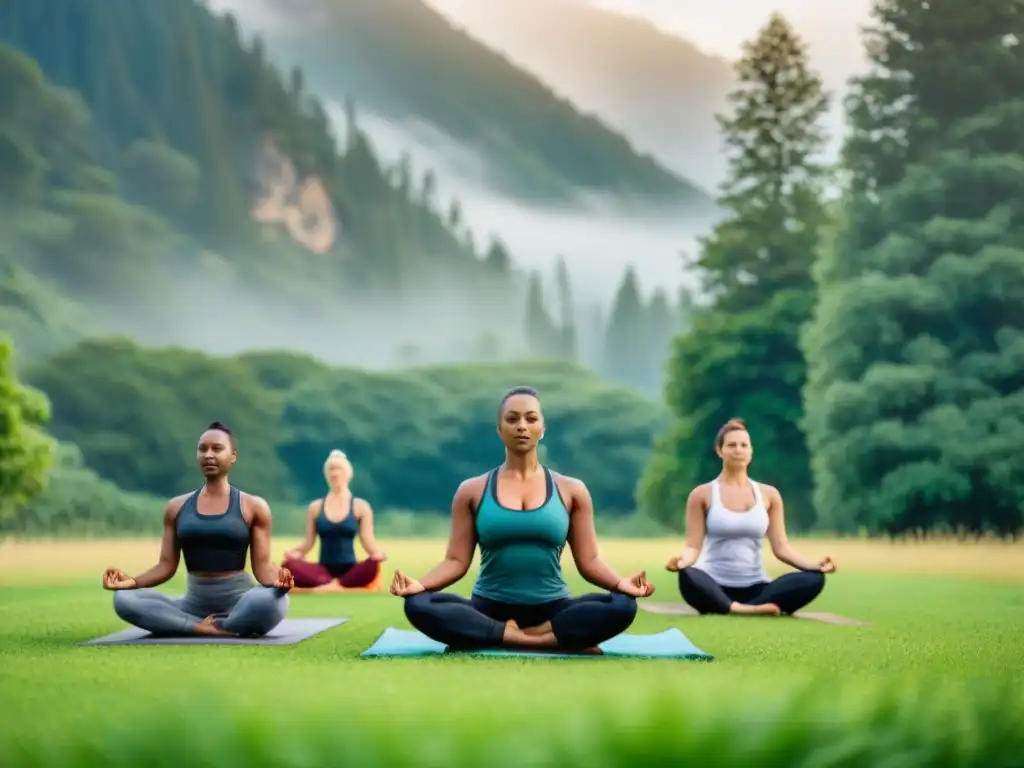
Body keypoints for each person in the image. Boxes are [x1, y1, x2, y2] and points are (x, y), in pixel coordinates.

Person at [390, 385, 654, 653]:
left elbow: (590, 561)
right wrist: (420, 585)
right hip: (489, 608)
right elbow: (456, 561)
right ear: (499, 429)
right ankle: (537, 639)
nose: (521, 426)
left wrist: (623, 584)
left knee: (623, 605)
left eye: (531, 418)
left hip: (553, 610)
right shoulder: (472, 490)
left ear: (542, 428)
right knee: (417, 604)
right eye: (512, 419)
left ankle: (505, 636)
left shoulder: (571, 490)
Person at [101, 422, 293, 637]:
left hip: (241, 603)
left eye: (217, 449)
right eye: (203, 449)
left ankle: (206, 624)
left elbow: (263, 567)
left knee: (271, 600)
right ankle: (207, 628)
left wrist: (278, 584)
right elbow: (166, 565)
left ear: (233, 456)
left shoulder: (253, 506)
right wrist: (132, 581)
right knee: (124, 598)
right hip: (192, 606)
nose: (208, 455)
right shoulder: (176, 507)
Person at [665, 417, 836, 616]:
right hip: (713, 584)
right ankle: (739, 608)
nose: (738, 450)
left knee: (814, 579)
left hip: (757, 586)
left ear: (751, 452)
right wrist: (682, 562)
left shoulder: (769, 495)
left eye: (744, 445)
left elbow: (781, 548)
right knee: (688, 575)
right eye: (732, 445)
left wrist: (815, 566)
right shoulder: (702, 494)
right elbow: (693, 546)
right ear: (720, 451)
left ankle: (745, 606)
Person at [282, 449, 386, 588]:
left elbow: (367, 539)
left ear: (348, 474)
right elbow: (308, 541)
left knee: (373, 565)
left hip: (350, 570)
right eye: (331, 469)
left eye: (339, 469)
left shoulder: (360, 506)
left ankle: (329, 584)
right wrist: (294, 553)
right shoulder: (315, 507)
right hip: (323, 569)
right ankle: (332, 584)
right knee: (288, 566)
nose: (335, 473)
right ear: (326, 474)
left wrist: (377, 554)